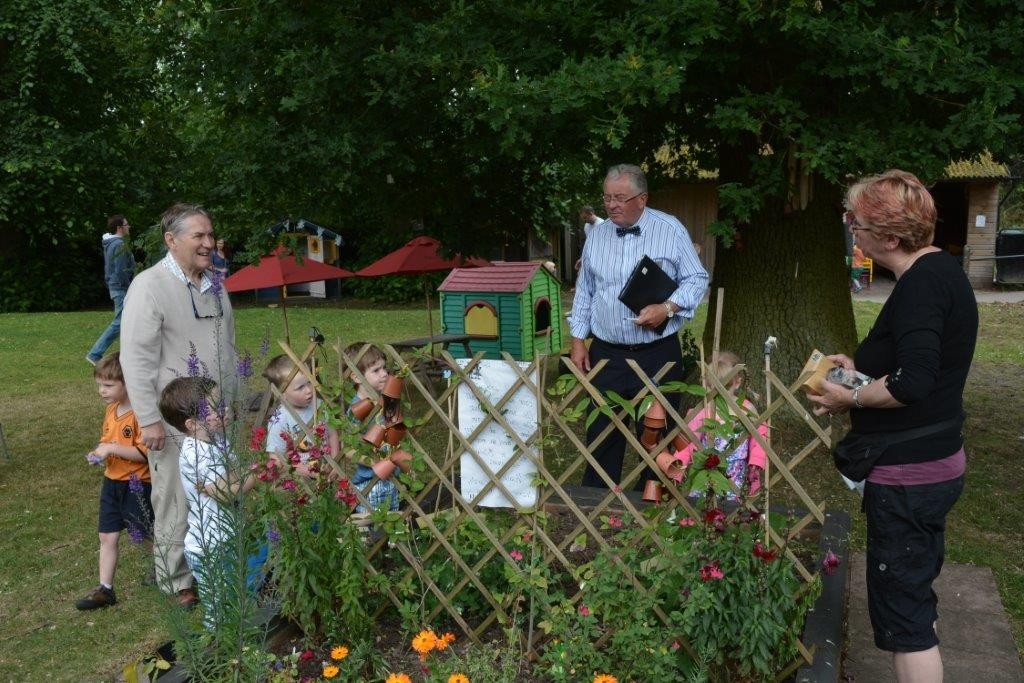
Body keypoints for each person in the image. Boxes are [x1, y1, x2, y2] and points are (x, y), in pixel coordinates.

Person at [808, 169, 977, 683]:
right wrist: (856, 369)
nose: (850, 230)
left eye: (854, 222)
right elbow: (917, 361)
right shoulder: (937, 273)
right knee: (912, 595)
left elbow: (913, 381)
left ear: (887, 235)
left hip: (910, 475)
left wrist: (851, 395)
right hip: (930, 464)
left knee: (907, 620)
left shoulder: (923, 286)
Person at [120, 203, 237, 608]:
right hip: (174, 417)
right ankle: (177, 580)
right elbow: (134, 357)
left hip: (217, 416)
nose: (209, 243)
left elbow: (229, 346)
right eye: (198, 237)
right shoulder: (148, 286)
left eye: (210, 235)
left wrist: (234, 400)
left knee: (219, 490)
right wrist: (149, 420)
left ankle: (219, 563)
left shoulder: (215, 284)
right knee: (175, 494)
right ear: (171, 240)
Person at [568, 164, 709, 488]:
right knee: (602, 432)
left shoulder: (670, 229)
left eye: (620, 197)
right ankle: (597, 504)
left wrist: (668, 307)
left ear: (642, 198)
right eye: (607, 198)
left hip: (658, 353)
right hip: (606, 354)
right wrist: (578, 340)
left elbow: (697, 277)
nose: (612, 205)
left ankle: (656, 505)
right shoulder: (597, 236)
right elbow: (586, 289)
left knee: (658, 432)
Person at [159, 377, 255, 629]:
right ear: (192, 424)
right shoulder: (198, 453)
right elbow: (225, 493)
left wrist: (236, 475)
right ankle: (222, 647)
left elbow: (229, 477)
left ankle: (234, 642)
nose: (225, 410)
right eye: (215, 408)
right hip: (211, 545)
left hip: (224, 535)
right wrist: (257, 473)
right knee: (221, 606)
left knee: (234, 596)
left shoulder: (214, 442)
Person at [75, 353, 154, 610]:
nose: (102, 391)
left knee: (142, 535)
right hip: (112, 484)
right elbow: (107, 441)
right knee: (107, 536)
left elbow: (143, 454)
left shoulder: (141, 414)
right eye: (99, 385)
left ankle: (167, 569)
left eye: (108, 386)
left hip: (137, 485)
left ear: (128, 382)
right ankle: (105, 589)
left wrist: (111, 448)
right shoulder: (111, 410)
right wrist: (100, 453)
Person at [670, 351, 766, 501]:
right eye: (710, 386)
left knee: (732, 511)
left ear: (738, 382)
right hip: (704, 473)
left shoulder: (747, 410)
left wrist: (756, 463)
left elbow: (760, 441)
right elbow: (687, 442)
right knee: (702, 508)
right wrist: (677, 467)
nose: (717, 394)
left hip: (735, 475)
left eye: (724, 387)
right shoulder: (702, 410)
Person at [342, 342, 403, 513]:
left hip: (391, 481)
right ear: (355, 377)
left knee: (393, 526)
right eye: (376, 370)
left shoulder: (386, 402)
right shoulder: (357, 410)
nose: (384, 374)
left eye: (384, 368)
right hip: (370, 484)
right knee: (372, 532)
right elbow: (348, 449)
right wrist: (377, 462)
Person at [263, 354, 339, 477]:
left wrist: (335, 463)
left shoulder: (319, 405)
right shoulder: (279, 420)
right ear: (282, 393)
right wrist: (310, 472)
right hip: (299, 482)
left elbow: (332, 433)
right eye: (300, 387)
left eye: (309, 382)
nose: (309, 390)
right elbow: (276, 458)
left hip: (327, 471)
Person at [87, 215, 135, 365]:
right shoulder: (118, 245)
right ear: (119, 228)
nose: (129, 227)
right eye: (126, 224)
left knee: (126, 321)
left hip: (116, 286)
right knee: (120, 321)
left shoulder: (112, 244)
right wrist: (129, 287)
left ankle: (129, 353)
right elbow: (120, 270)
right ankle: (95, 354)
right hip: (121, 288)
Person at [575, 205, 606, 272]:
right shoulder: (586, 226)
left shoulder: (602, 224)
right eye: (583, 218)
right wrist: (582, 258)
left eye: (585, 218)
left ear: (591, 214)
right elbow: (588, 244)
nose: (584, 221)